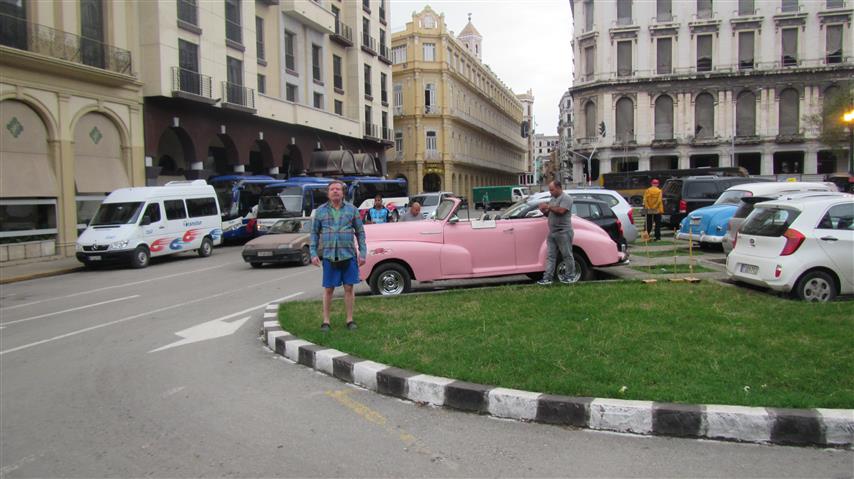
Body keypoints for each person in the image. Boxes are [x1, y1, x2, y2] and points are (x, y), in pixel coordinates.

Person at [310, 181, 367, 332]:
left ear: (343, 193)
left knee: (349, 287)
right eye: (332, 189)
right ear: (328, 193)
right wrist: (313, 253)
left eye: (338, 189)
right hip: (329, 256)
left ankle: (349, 320)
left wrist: (363, 253)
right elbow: (314, 234)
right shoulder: (320, 211)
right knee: (328, 289)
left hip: (348, 255)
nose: (335, 191)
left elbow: (360, 233)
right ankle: (326, 321)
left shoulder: (352, 210)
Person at [537, 180, 575, 285]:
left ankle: (570, 276)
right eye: (549, 190)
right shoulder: (553, 199)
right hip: (552, 232)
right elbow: (550, 214)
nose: (550, 192)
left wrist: (548, 206)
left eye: (552, 190)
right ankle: (547, 278)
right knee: (550, 256)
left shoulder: (566, 198)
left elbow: (561, 211)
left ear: (559, 188)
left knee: (567, 255)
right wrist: (543, 211)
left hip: (563, 231)